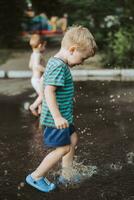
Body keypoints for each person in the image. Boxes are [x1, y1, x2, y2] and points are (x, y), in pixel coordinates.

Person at [26, 25, 97, 192]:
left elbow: (44, 83)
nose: (82, 63)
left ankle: (66, 174)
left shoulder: (55, 62)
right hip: (55, 119)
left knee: (72, 139)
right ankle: (36, 176)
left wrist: (38, 102)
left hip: (63, 116)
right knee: (63, 148)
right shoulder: (59, 66)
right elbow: (49, 90)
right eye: (83, 58)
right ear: (72, 49)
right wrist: (57, 117)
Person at [29, 34, 46, 116]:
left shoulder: (32, 54)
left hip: (34, 79)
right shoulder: (38, 55)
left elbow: (30, 65)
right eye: (44, 46)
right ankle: (33, 107)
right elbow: (36, 66)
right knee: (43, 95)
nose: (45, 48)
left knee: (40, 94)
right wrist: (46, 70)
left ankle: (40, 110)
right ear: (40, 45)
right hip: (38, 80)